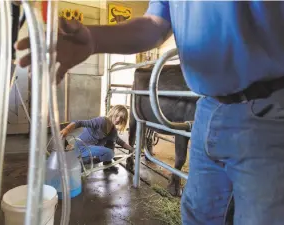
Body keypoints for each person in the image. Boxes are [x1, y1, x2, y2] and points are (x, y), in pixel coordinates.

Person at [15, 1, 284, 224]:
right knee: (198, 216)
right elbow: (155, 25)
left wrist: (127, 149)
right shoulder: (100, 121)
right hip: (207, 106)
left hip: (268, 108)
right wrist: (94, 38)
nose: (121, 123)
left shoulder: (106, 124)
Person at [60, 105, 134, 172]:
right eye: (117, 115)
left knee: (111, 146)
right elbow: (80, 123)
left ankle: (107, 164)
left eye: (121, 118)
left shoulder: (113, 130)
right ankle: (79, 162)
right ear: (113, 113)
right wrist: (67, 129)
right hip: (81, 147)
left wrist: (132, 149)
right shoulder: (101, 121)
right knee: (110, 153)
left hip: (90, 149)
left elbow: (119, 141)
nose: (118, 119)